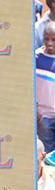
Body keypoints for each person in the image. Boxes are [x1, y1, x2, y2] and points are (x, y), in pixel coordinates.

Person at [37, 22, 55, 154]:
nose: (49, 43)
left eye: (54, 40)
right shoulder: (35, 58)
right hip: (44, 118)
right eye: (46, 39)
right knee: (47, 156)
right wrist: (37, 114)